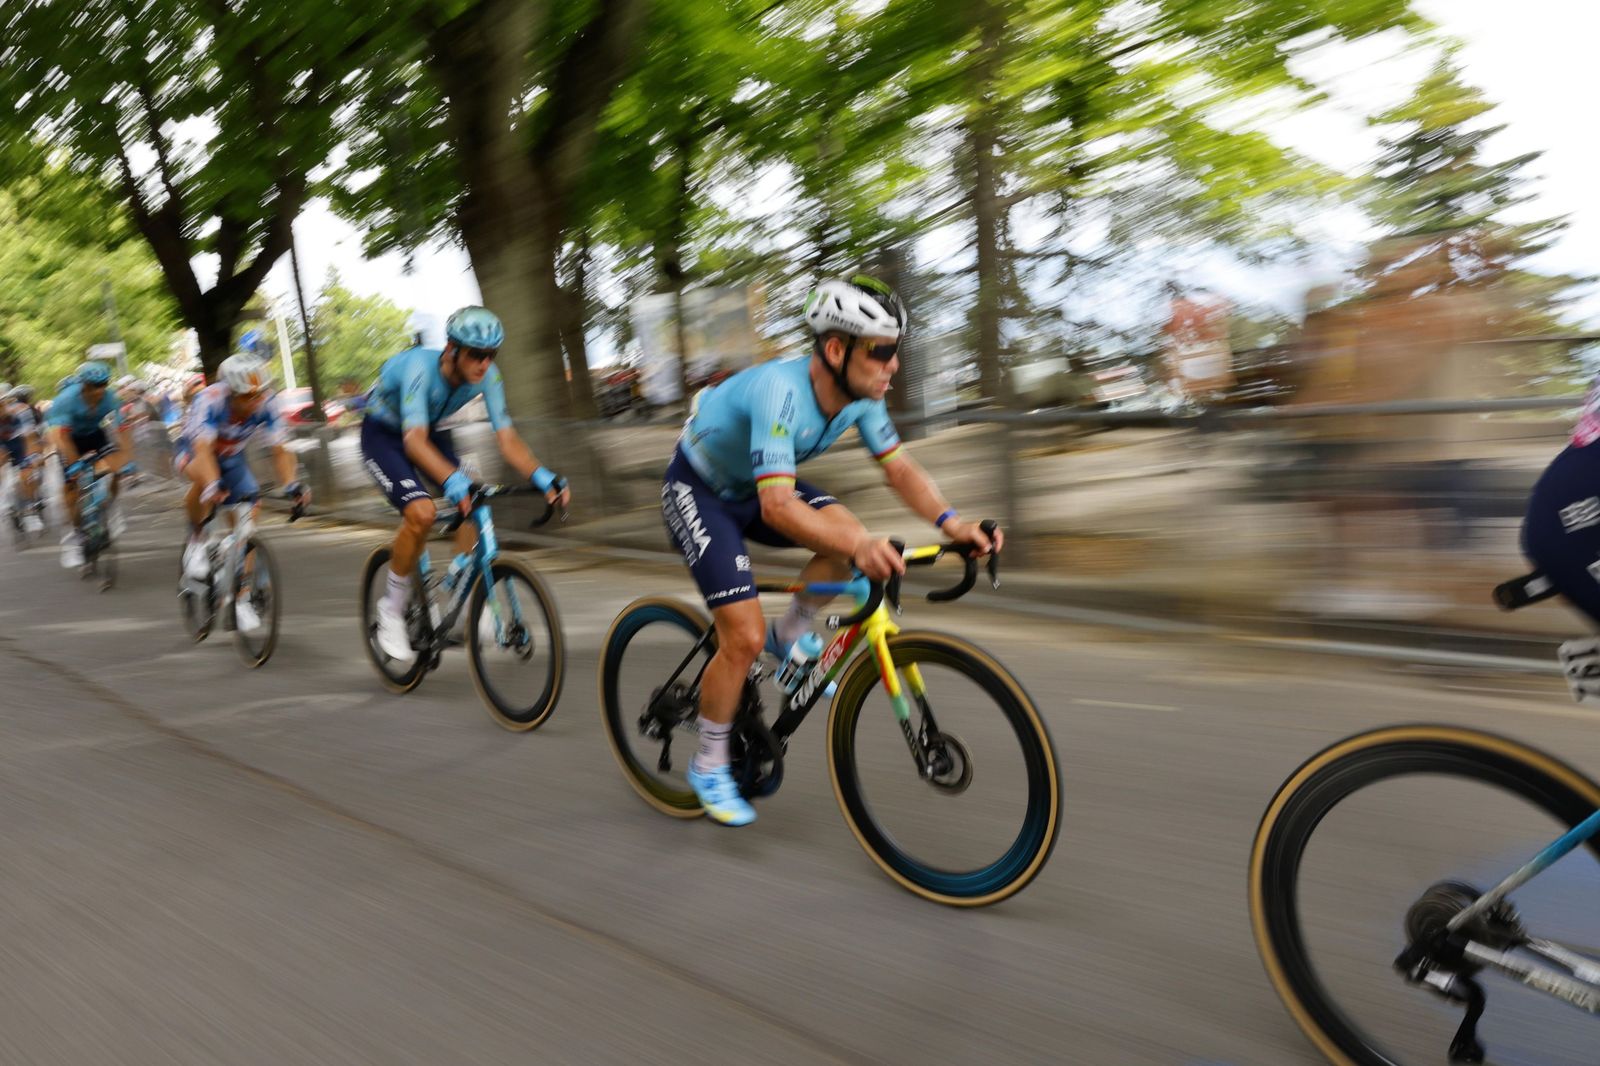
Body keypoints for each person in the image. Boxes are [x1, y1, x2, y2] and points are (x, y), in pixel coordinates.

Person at [660, 274, 1000, 826]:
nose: (893, 365)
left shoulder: (863, 399)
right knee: (742, 636)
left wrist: (952, 522)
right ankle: (709, 762)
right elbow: (776, 507)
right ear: (836, 349)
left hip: (752, 485)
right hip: (699, 490)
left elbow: (901, 468)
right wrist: (860, 544)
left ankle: (790, 632)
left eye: (897, 351)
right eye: (882, 352)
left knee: (846, 531)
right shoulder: (781, 391)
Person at [360, 305, 571, 665]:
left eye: (492, 355)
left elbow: (507, 438)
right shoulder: (418, 368)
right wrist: (452, 479)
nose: (484, 364)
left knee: (476, 497)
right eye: (476, 354)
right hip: (386, 436)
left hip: (430, 432)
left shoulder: (488, 376)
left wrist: (542, 475)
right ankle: (391, 610)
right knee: (422, 513)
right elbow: (413, 443)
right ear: (452, 350)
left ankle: (467, 583)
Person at [173, 354, 310, 631]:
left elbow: (280, 451)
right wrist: (213, 483)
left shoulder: (267, 402)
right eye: (248, 396)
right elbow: (202, 451)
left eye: (259, 394)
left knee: (248, 517)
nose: (256, 401)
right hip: (195, 454)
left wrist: (291, 485)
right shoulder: (210, 400)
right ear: (231, 393)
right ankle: (196, 541)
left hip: (232, 459)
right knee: (204, 485)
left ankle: (241, 597)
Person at [47, 362, 135, 567]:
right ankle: (76, 534)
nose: (100, 390)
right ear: (84, 385)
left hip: (95, 435)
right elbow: (60, 438)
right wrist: (74, 464)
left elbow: (122, 430)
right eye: (95, 386)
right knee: (71, 488)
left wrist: (127, 460)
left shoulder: (110, 398)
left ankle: (108, 506)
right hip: (69, 439)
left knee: (117, 466)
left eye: (104, 384)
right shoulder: (65, 401)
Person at [0, 384, 44, 528]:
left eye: (2, 403)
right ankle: (5, 500)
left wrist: (34, 457)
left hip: (20, 445)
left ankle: (30, 507)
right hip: (3, 445)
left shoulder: (20, 414)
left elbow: (30, 439)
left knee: (27, 473)